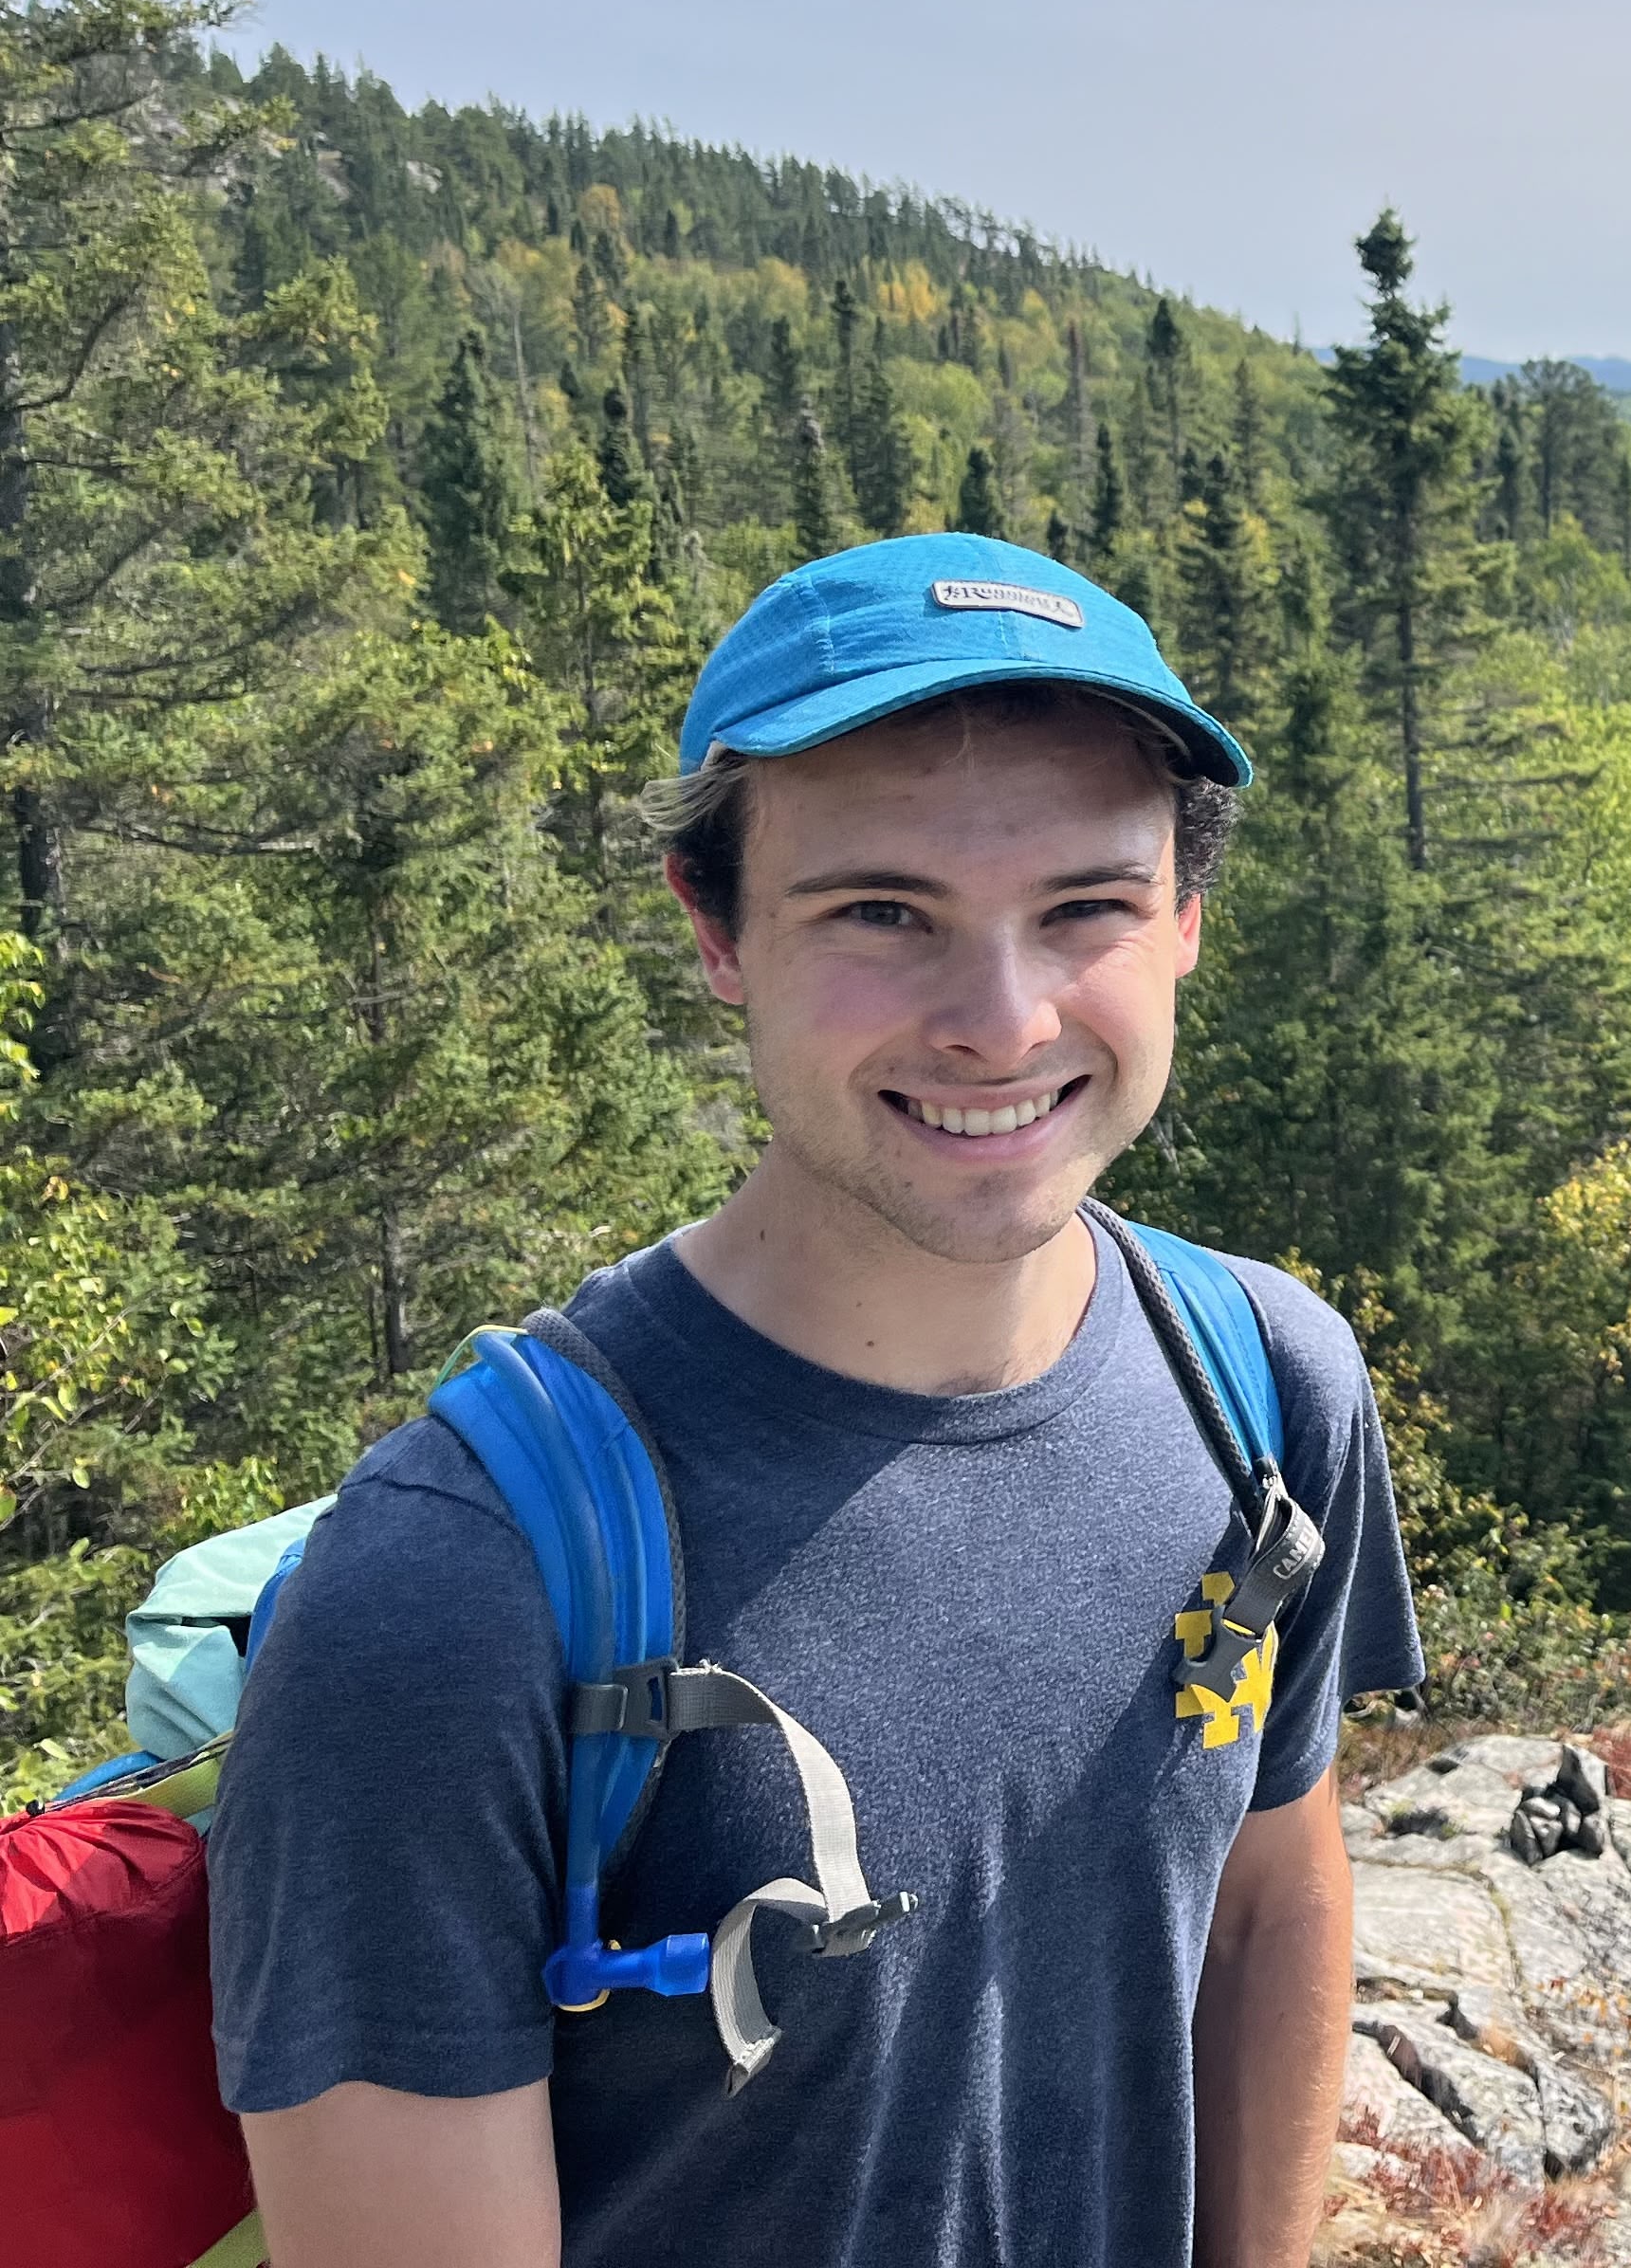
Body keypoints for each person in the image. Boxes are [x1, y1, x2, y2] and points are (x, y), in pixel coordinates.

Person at [208, 535, 1424, 2268]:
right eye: (881, 913)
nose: (1002, 1023)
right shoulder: (448, 1595)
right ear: (716, 932)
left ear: (1185, 921)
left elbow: (1264, 1898)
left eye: (1085, 908)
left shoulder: (1263, 1389)